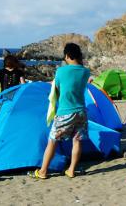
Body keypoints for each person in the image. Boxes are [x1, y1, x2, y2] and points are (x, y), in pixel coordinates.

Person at [31, 43, 90, 179]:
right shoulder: (85, 72)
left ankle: (43, 171)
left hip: (65, 112)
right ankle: (71, 170)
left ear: (67, 56)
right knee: (77, 141)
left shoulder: (61, 71)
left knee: (52, 140)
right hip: (81, 111)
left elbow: (56, 89)